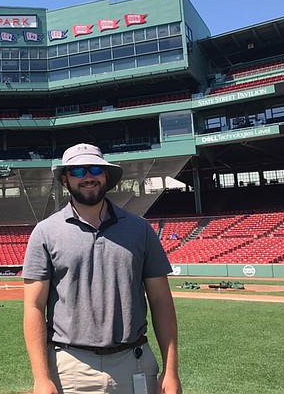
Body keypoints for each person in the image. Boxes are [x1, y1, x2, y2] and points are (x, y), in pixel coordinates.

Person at [22, 143, 182, 394]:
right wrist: (41, 377)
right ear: (65, 179)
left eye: (95, 169)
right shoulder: (45, 232)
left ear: (106, 176)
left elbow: (161, 301)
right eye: (77, 171)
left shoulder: (140, 230)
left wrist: (171, 370)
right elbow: (33, 307)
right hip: (70, 368)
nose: (88, 177)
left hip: (135, 363)